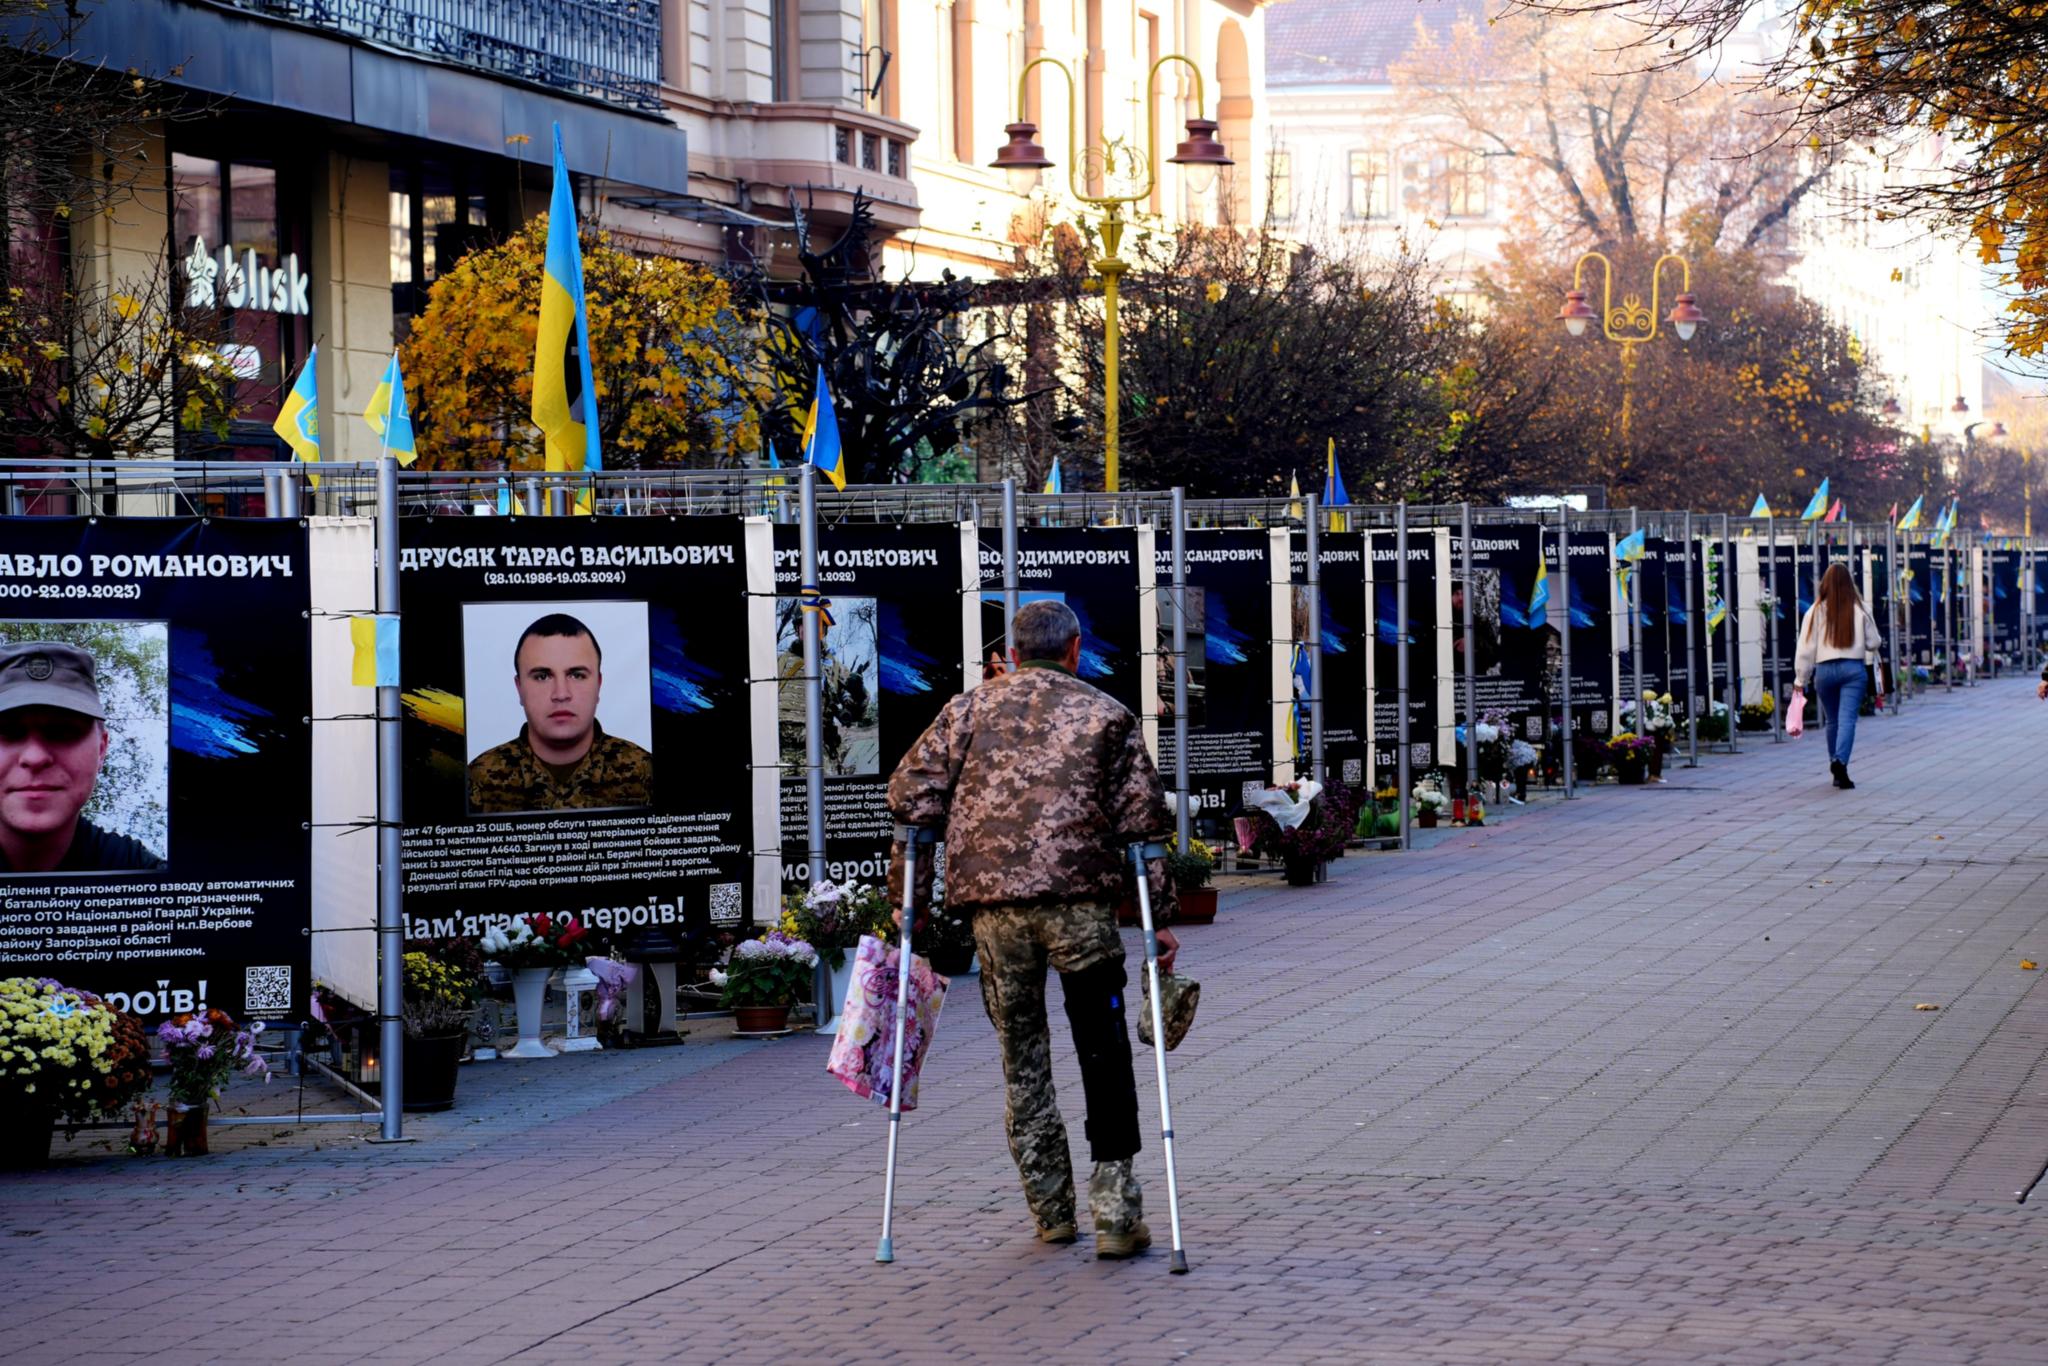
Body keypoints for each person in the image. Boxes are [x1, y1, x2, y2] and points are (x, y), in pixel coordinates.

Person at [887, 599, 1178, 1259]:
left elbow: (912, 803)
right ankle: (1115, 1211)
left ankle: (1049, 1208)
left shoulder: (964, 712)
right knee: (1102, 1052)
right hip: (1080, 906)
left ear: (1012, 654)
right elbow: (1143, 826)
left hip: (994, 913)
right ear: (1075, 650)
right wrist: (1158, 922)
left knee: (1023, 1060)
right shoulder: (1107, 714)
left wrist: (910, 897)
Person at [0, 641, 164, 873]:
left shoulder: (142, 874)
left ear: (101, 750)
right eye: (7, 732)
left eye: (63, 732)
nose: (35, 757)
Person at [468, 614, 652, 812]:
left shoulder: (645, 772)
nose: (561, 694)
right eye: (542, 676)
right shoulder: (478, 778)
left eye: (577, 675)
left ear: (598, 685)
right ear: (519, 688)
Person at [1793, 564, 1884, 789]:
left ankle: (1836, 767)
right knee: (1847, 720)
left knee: (1832, 720)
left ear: (1824, 584)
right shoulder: (1859, 608)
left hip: (1824, 671)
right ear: (1849, 583)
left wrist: (1800, 680)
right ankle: (1840, 762)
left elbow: (1805, 648)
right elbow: (1874, 642)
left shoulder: (1814, 611)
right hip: (1853, 670)